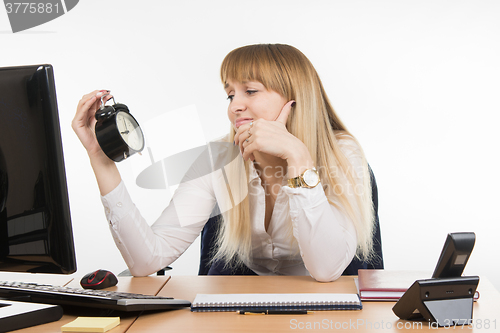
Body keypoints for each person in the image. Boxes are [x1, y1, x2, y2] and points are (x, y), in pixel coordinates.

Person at [72, 44, 375, 282]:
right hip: (242, 313)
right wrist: (100, 160)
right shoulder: (217, 159)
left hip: (328, 315)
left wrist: (298, 158)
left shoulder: (343, 154)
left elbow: (326, 270)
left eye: (250, 91)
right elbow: (147, 259)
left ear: (295, 97)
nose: (235, 106)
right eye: (230, 95)